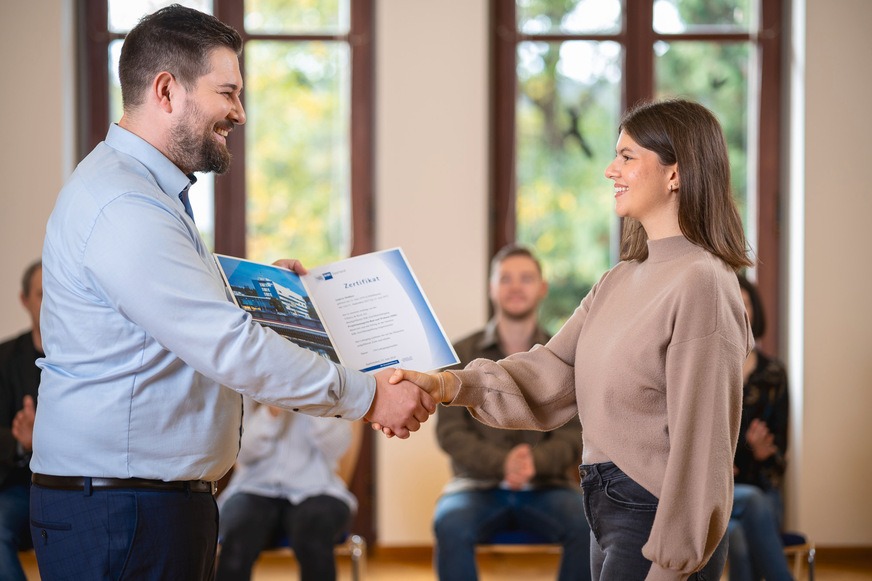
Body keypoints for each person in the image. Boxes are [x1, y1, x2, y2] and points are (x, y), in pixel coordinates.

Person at [31, 5, 433, 580]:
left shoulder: (145, 191)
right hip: (125, 512)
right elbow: (230, 346)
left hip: (141, 503)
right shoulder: (125, 205)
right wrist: (369, 396)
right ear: (167, 90)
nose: (239, 113)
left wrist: (260, 290)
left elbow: (176, 306)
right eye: (228, 93)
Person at [391, 98, 755, 580]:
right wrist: (447, 386)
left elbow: (703, 447)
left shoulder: (703, 281)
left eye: (628, 156)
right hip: (605, 508)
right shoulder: (618, 280)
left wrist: (673, 563)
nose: (611, 169)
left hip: (656, 519)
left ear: (675, 173)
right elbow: (550, 373)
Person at [433, 244, 591, 581]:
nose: (516, 286)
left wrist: (536, 463)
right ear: (491, 287)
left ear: (542, 288)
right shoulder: (460, 352)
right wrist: (501, 463)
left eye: (526, 278)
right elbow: (450, 433)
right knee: (449, 521)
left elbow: (576, 430)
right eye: (505, 279)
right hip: (474, 487)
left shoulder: (563, 355)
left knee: (588, 523)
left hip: (550, 486)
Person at [216, 399, 358, 581]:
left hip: (317, 490)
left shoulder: (329, 388)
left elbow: (336, 449)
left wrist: (311, 404)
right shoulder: (246, 388)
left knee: (314, 531)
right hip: (253, 488)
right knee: (238, 529)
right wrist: (271, 413)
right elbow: (241, 453)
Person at [727, 275, 793, 581]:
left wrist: (764, 452)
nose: (740, 310)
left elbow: (779, 454)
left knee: (749, 521)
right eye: (732, 303)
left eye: (747, 303)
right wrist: (743, 450)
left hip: (762, 490)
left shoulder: (774, 373)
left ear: (755, 312)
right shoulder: (710, 369)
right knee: (738, 532)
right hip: (718, 490)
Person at [0, 260, 42, 581]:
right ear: (24, 300)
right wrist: (20, 442)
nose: (50, 303)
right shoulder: (4, 358)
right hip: (18, 488)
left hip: (75, 486)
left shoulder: (83, 358)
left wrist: (41, 439)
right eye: (41, 294)